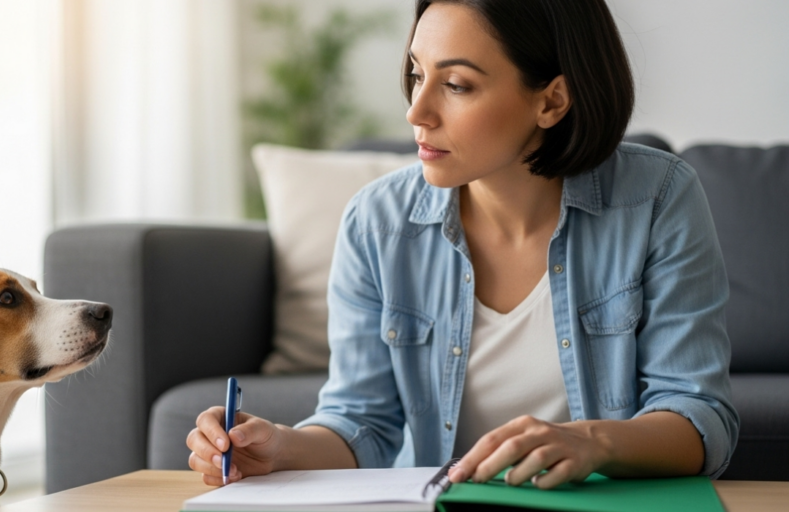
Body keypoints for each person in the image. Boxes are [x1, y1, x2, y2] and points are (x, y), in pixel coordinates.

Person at [187, 0, 739, 490]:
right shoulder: (376, 221)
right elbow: (363, 422)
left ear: (552, 101)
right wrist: (281, 448)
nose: (416, 112)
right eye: (416, 73)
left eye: (456, 85)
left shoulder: (659, 198)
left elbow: (698, 416)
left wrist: (592, 442)